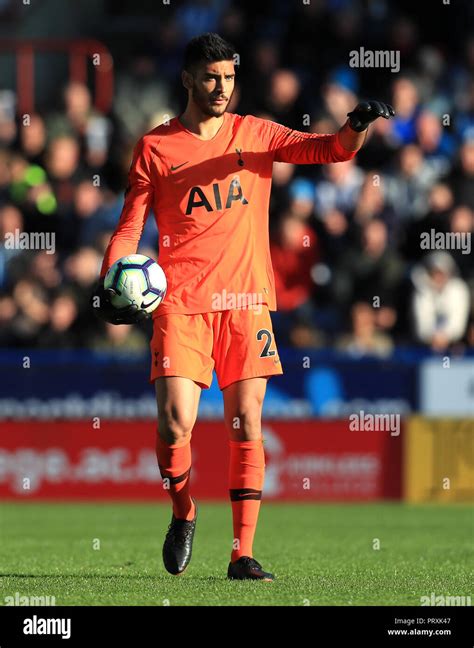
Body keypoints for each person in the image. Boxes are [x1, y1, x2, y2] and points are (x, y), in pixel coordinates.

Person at [91, 33, 394, 581]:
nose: (221, 87)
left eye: (229, 77)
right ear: (187, 79)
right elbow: (130, 225)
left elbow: (325, 149)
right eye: (210, 77)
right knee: (174, 421)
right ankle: (184, 511)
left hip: (246, 301)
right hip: (181, 303)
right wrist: (113, 276)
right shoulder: (155, 147)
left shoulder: (254, 132)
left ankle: (241, 552)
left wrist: (354, 128)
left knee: (246, 420)